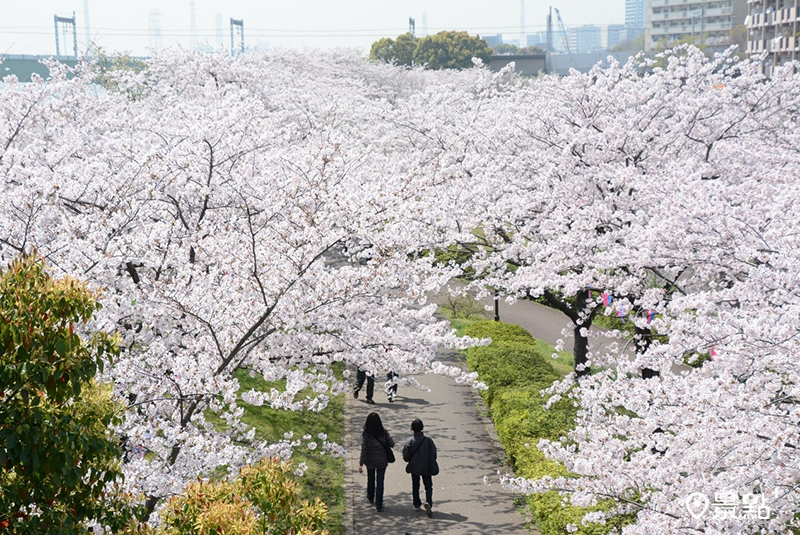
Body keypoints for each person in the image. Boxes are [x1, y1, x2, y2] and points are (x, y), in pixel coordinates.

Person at [359, 412, 395, 512]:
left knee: (371, 479)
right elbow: (392, 444)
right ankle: (379, 504)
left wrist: (361, 463)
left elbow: (364, 449)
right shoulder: (383, 432)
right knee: (380, 482)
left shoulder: (366, 434)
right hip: (382, 461)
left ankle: (370, 497)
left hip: (370, 461)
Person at [402, 418, 438, 518]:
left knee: (415, 485)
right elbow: (434, 454)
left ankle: (416, 504)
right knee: (428, 486)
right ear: (422, 428)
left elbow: (406, 457)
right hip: (427, 467)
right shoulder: (428, 441)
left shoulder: (410, 441)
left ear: (412, 429)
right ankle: (428, 502)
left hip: (415, 467)